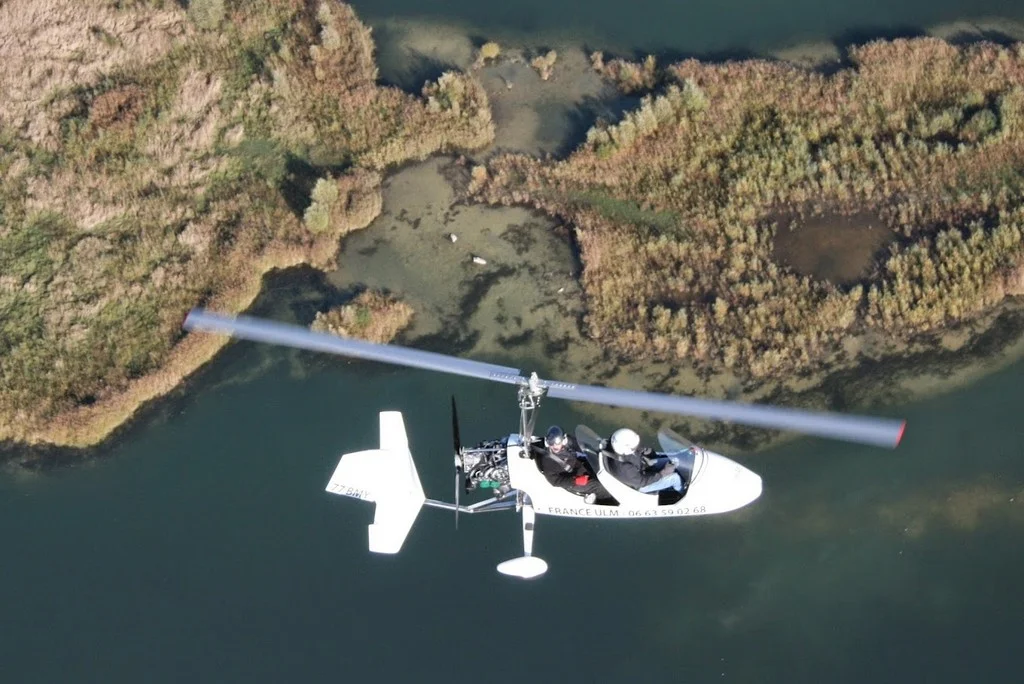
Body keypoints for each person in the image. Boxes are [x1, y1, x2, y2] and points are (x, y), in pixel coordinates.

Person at [532, 425, 611, 504]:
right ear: (547, 443)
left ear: (564, 440)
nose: (555, 446)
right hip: (572, 478)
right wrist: (575, 481)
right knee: (599, 487)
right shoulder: (547, 461)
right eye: (551, 443)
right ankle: (608, 500)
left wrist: (595, 449)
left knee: (604, 473)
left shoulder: (569, 442)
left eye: (558, 443)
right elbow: (554, 481)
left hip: (579, 465)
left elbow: (581, 446)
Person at [604, 428, 684, 494]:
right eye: (635, 447)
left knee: (674, 460)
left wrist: (646, 451)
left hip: (642, 469)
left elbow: (636, 451)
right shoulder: (625, 468)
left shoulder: (618, 445)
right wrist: (663, 473)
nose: (637, 447)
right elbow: (642, 482)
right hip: (641, 485)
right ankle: (682, 492)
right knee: (675, 478)